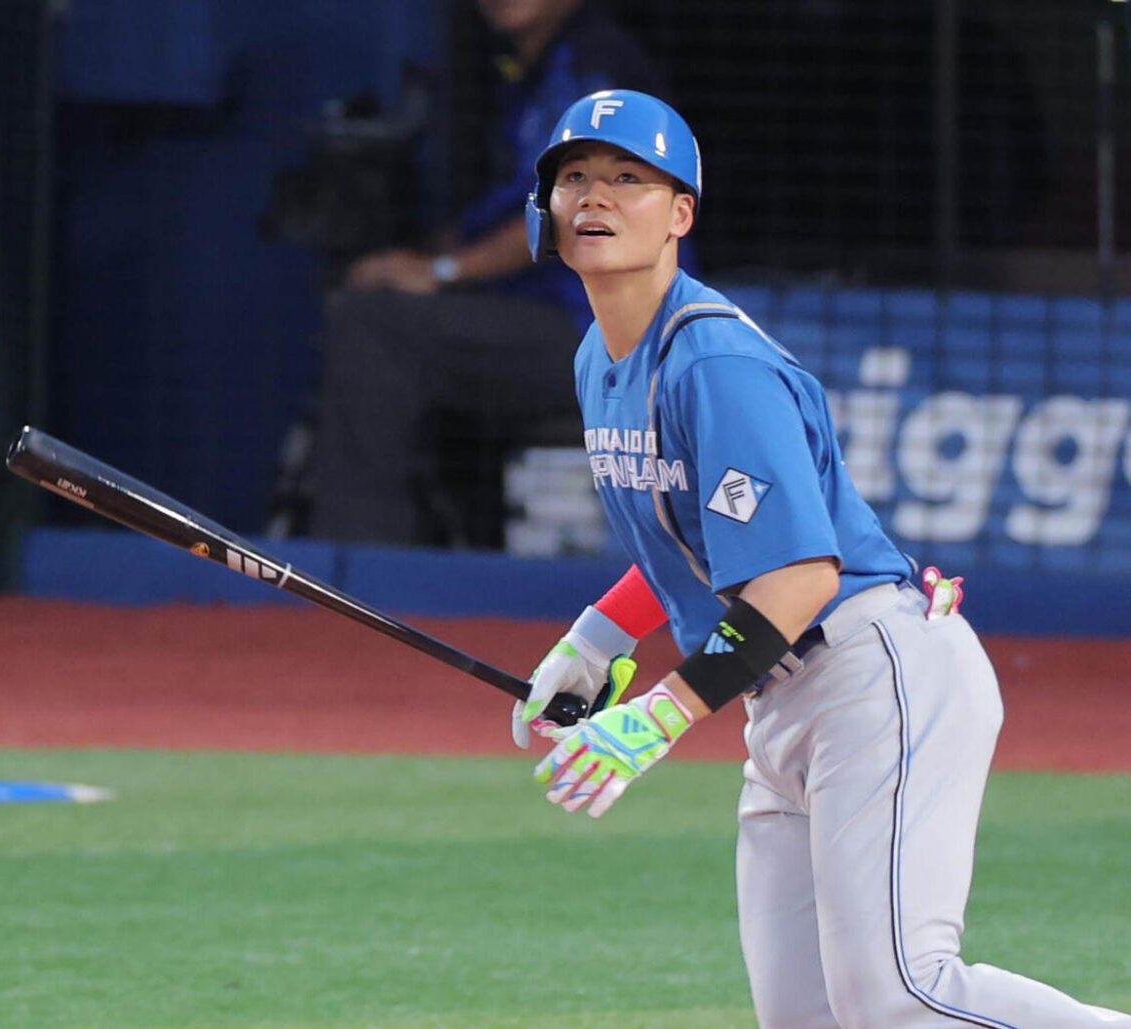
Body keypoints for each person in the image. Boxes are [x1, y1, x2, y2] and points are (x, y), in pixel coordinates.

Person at [512, 89, 1131, 1028]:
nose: (594, 196)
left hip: (874, 676)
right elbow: (693, 542)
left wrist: (654, 720)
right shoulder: (600, 355)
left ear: (681, 214)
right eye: (575, 178)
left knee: (900, 995)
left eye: (628, 178)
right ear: (545, 213)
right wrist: (596, 641)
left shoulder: (712, 363)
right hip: (784, 697)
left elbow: (801, 576)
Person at [309, 0, 671, 547]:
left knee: (375, 327)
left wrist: (442, 271)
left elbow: (577, 209)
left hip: (611, 341)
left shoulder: (598, 66)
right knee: (380, 312)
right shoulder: (525, 74)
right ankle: (443, 556)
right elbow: (511, 209)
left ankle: (357, 574)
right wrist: (417, 261)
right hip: (552, 322)